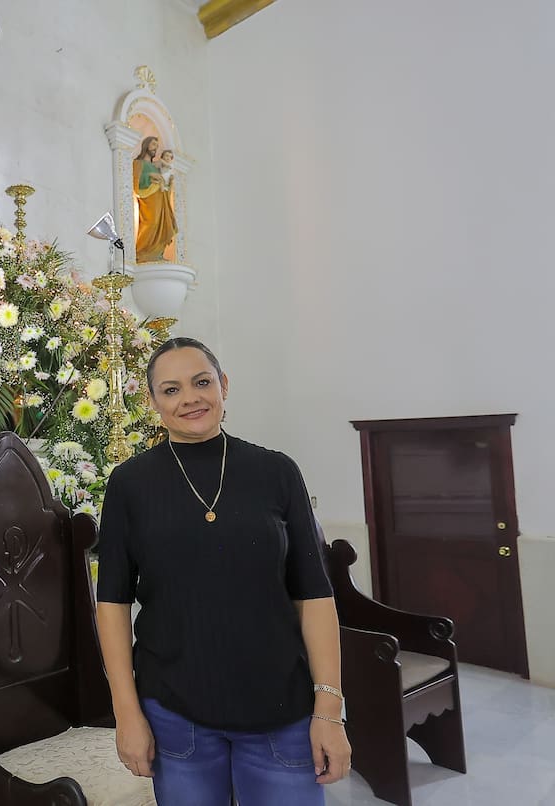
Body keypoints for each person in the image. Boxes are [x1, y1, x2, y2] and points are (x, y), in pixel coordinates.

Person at [94, 337, 351, 806]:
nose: (190, 398)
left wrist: (329, 710)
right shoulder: (130, 484)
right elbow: (112, 604)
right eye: (171, 390)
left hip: (280, 706)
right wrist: (126, 713)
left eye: (201, 382)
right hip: (174, 712)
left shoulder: (277, 472)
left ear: (223, 385)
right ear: (152, 402)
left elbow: (314, 595)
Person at [133, 136, 177, 263]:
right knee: (151, 223)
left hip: (161, 200)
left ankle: (157, 254)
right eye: (153, 144)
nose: (155, 148)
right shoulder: (138, 163)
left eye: (157, 146)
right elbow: (137, 181)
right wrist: (150, 175)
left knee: (160, 226)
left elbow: (164, 182)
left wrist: (169, 183)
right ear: (146, 145)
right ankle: (142, 252)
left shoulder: (156, 166)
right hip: (148, 200)